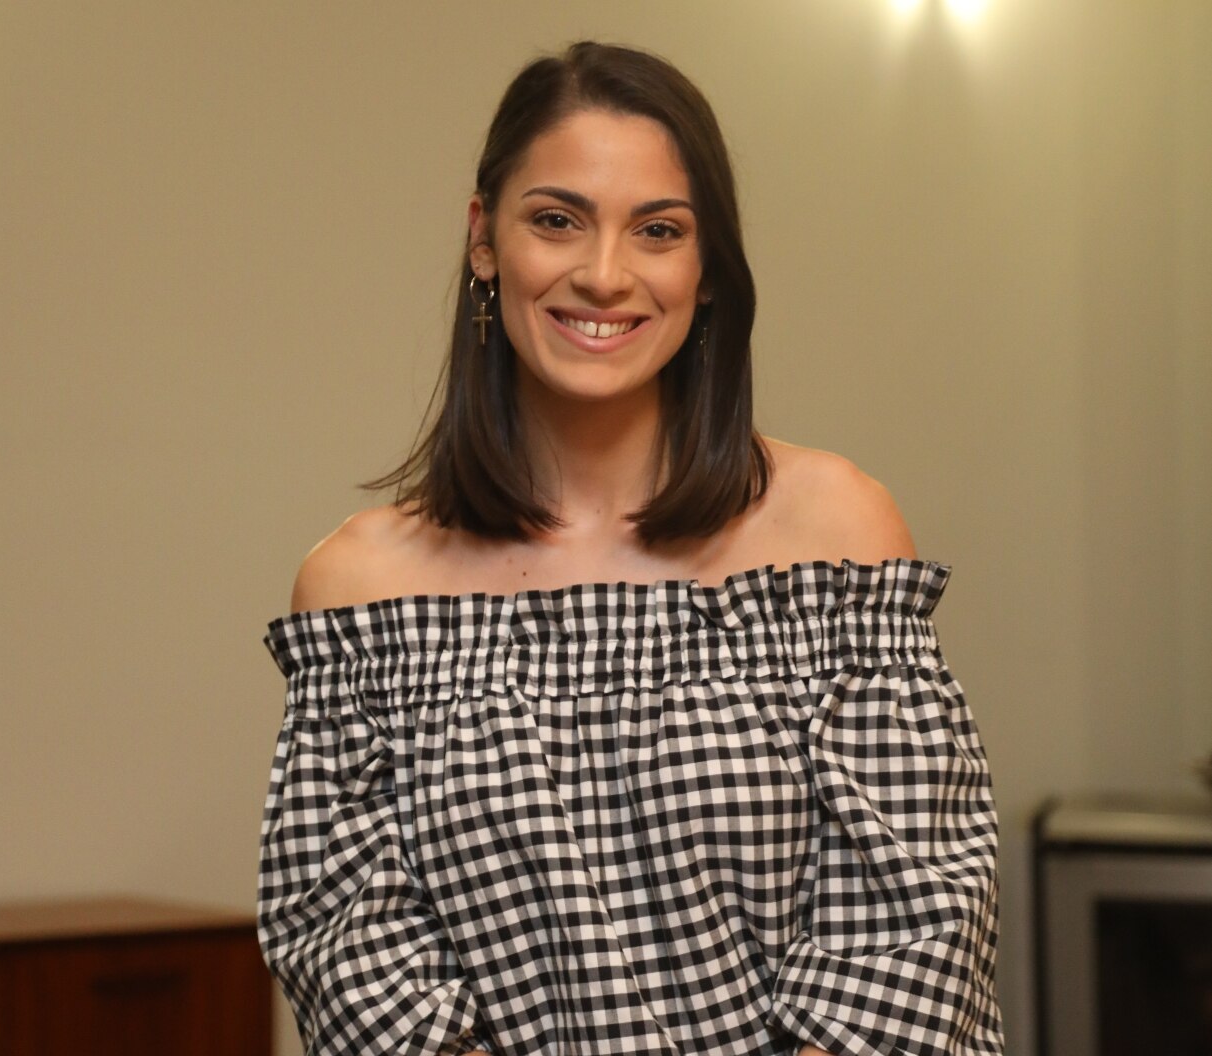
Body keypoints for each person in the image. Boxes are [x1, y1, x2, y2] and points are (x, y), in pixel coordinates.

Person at [257, 41, 1003, 1056]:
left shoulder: (835, 538)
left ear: (704, 271)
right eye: (556, 220)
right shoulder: (356, 594)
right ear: (484, 239)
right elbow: (349, 956)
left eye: (657, 231)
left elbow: (914, 924)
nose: (602, 276)